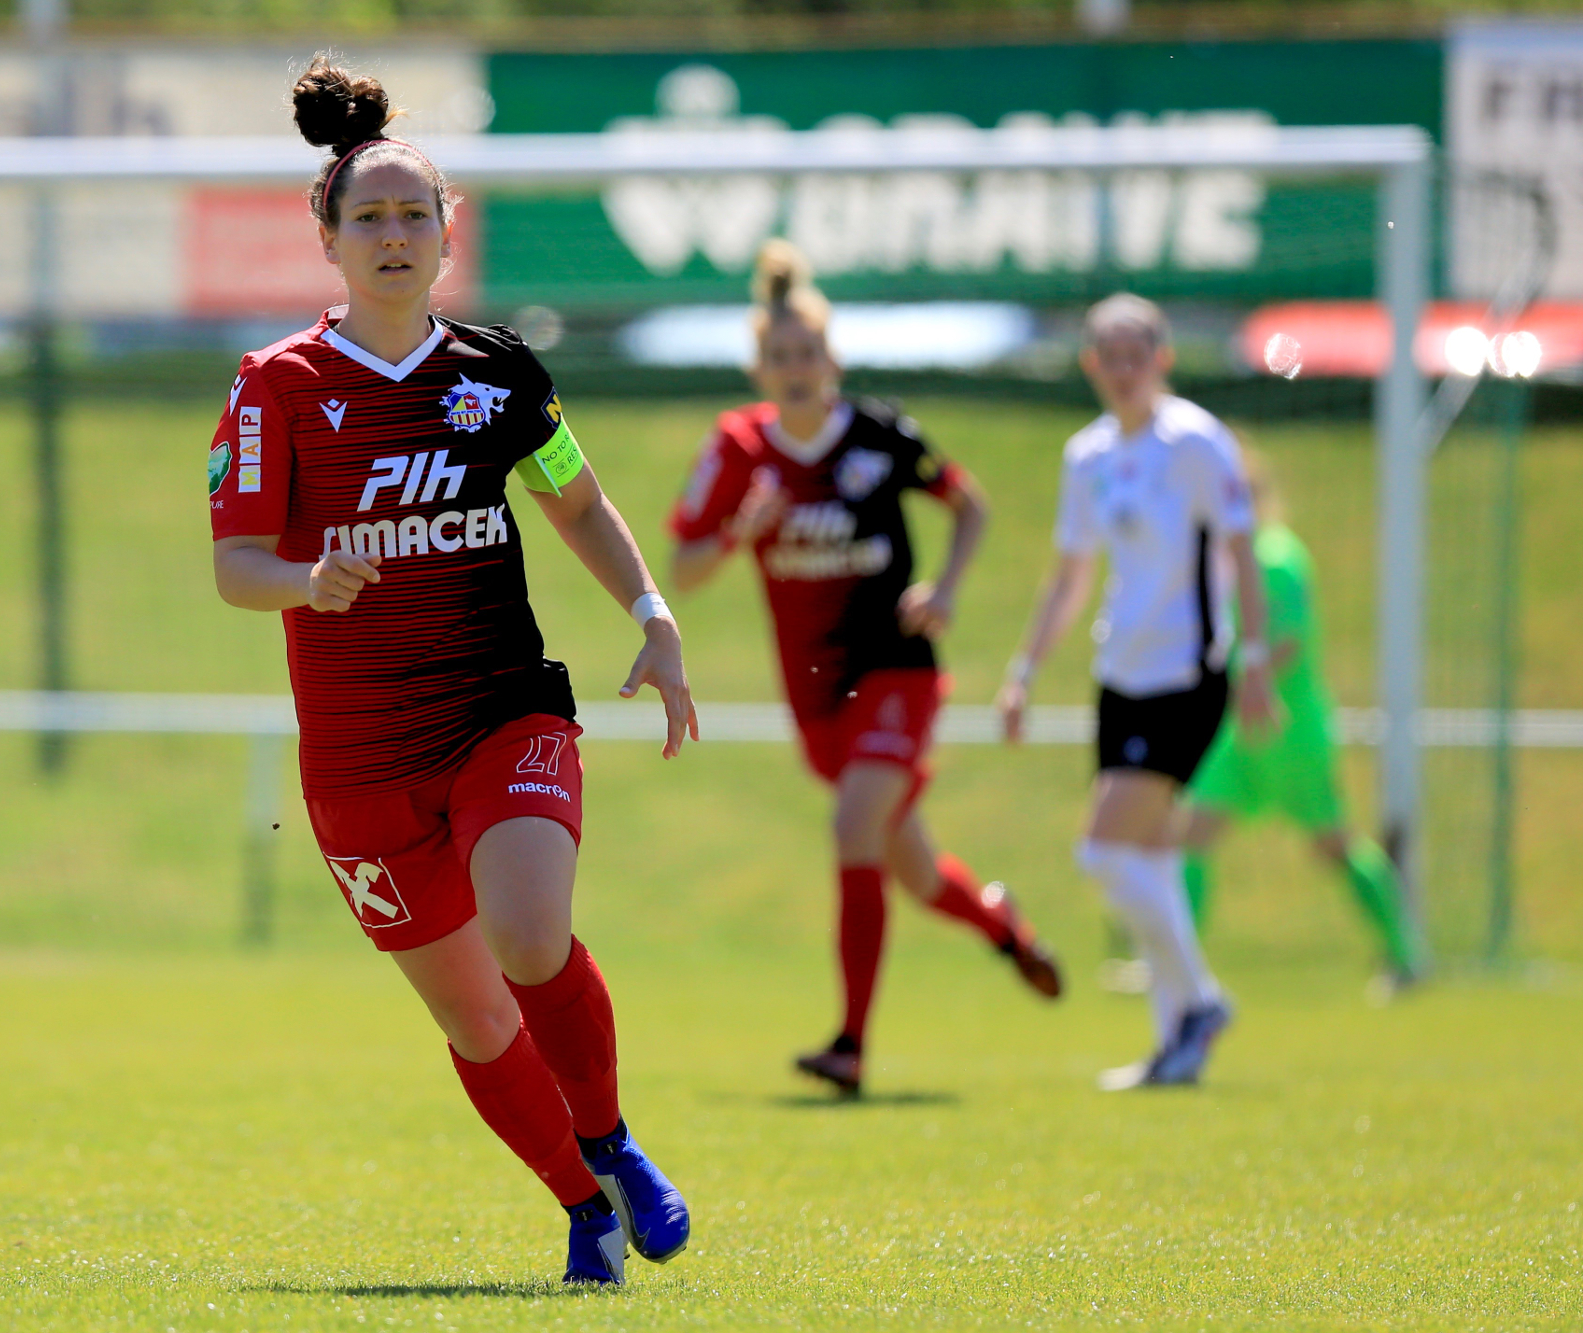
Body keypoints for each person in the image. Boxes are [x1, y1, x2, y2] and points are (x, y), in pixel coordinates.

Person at [208, 56, 695, 1286]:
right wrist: (303, 580)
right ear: (326, 237)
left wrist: (651, 611)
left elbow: (575, 502)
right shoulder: (276, 387)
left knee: (530, 938)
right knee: (475, 1015)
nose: (392, 235)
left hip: (497, 710)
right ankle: (582, 1204)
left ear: (446, 230)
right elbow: (235, 567)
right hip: (359, 761)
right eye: (367, 217)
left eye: (412, 214)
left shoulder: (498, 370)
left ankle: (611, 1141)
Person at [668, 241, 1062, 1100]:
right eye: (780, 355)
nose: (796, 367)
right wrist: (738, 532)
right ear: (759, 368)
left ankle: (850, 1044)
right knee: (914, 872)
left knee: (853, 829)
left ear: (832, 359)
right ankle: (1004, 926)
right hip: (815, 694)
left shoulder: (879, 434)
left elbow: (970, 504)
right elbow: (683, 568)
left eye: (808, 352)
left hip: (896, 671)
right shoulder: (737, 449)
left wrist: (945, 588)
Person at [998, 293, 1276, 1091]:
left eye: (1137, 355)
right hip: (1120, 673)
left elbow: (1242, 552)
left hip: (1186, 673)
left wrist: (1255, 659)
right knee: (1149, 857)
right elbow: (1071, 576)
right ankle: (1175, 1043)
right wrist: (1023, 669)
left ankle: (1202, 1000)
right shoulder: (1086, 455)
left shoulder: (1195, 442)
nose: (1124, 371)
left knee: (1104, 851)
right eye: (1109, 357)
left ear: (1162, 359)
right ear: (1091, 364)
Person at [1177, 454, 1424, 987]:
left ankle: (1407, 954)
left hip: (1288, 728)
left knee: (1333, 844)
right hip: (1237, 732)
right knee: (1191, 834)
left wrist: (1245, 674)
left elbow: (1289, 640)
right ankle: (1176, 966)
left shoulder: (1278, 558)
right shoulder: (1221, 562)